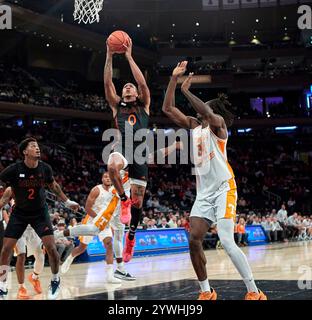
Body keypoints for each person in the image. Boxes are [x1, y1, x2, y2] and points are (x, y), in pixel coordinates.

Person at [162, 61, 267, 300]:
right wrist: (173, 79)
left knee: (227, 242)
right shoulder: (193, 125)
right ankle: (206, 292)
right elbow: (168, 109)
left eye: (205, 108)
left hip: (224, 188)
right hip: (204, 193)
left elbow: (208, 113)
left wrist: (186, 91)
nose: (201, 111)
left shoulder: (218, 127)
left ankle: (254, 291)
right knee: (194, 239)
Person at [0, 137, 79, 299]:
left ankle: (55, 280)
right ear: (24, 152)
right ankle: (2, 284)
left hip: (39, 213)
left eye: (38, 146)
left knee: (50, 247)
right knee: (6, 249)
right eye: (33, 146)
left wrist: (67, 201)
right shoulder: (14, 170)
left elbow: (54, 186)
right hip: (19, 214)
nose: (37, 149)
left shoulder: (45, 168)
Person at [104, 38, 151, 263]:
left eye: (130, 86)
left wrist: (130, 57)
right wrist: (109, 55)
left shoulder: (144, 104)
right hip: (122, 146)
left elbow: (142, 84)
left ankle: (131, 237)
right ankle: (123, 199)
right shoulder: (117, 105)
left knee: (139, 203)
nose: (128, 87)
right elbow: (107, 85)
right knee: (111, 166)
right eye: (125, 86)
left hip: (140, 151)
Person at [60, 172, 135, 282]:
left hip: (105, 222)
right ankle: (70, 258)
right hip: (91, 219)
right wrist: (99, 219)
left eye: (110, 176)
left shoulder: (115, 190)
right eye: (105, 176)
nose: (108, 178)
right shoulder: (96, 189)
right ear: (102, 179)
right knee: (82, 248)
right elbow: (87, 208)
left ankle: (109, 275)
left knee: (109, 244)